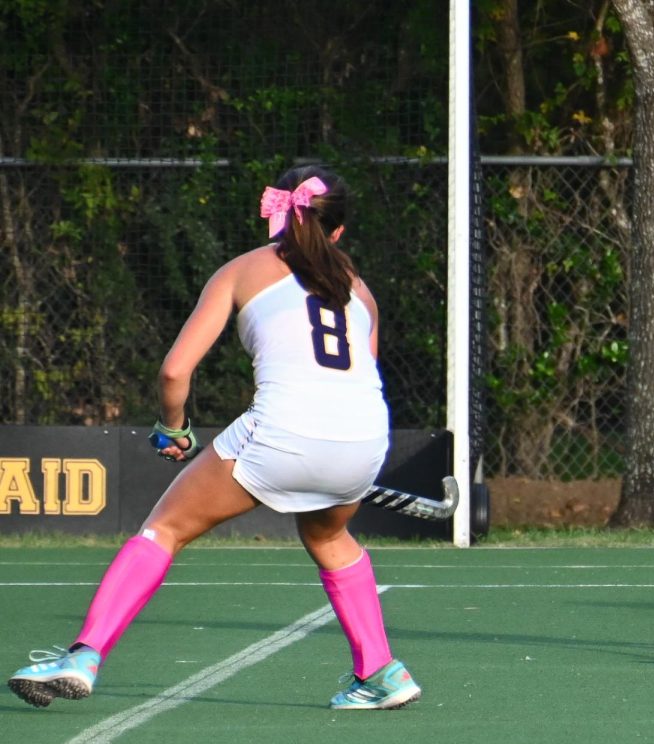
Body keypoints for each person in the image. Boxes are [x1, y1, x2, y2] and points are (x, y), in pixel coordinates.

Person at [8, 165, 421, 709]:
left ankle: (84, 654)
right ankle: (381, 672)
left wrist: (173, 427)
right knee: (328, 538)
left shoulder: (243, 269)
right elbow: (355, 382)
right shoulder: (362, 292)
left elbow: (175, 372)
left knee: (164, 529)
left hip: (284, 429)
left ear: (276, 216)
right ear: (338, 231)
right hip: (365, 436)